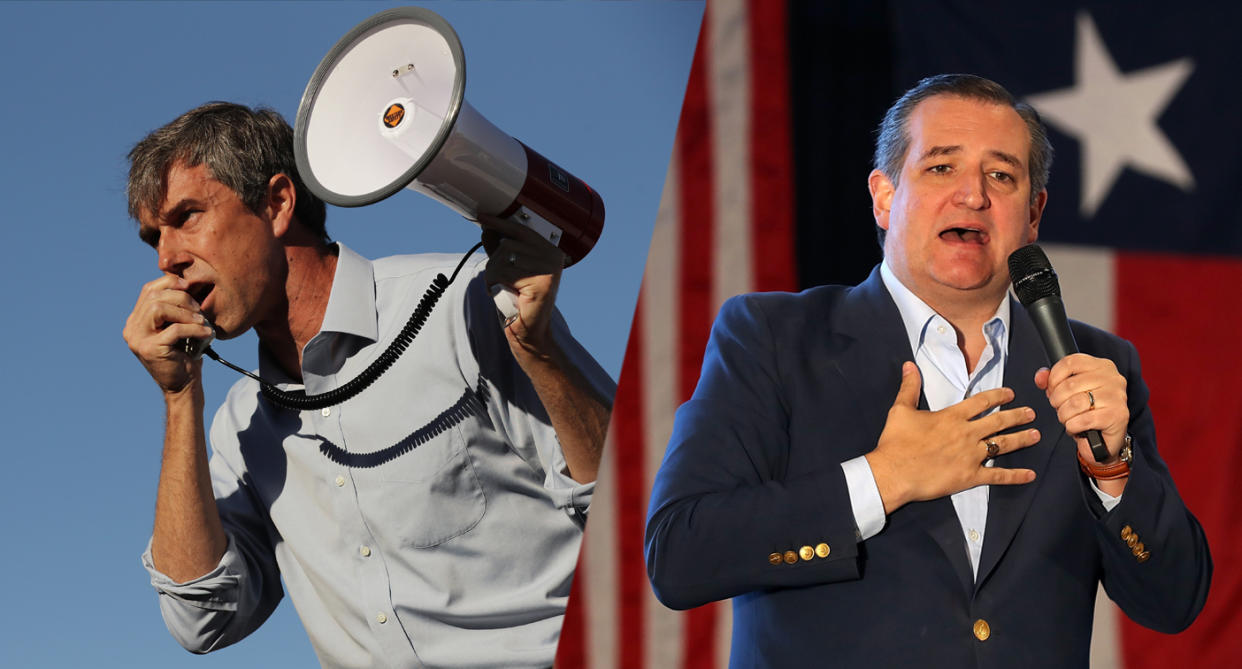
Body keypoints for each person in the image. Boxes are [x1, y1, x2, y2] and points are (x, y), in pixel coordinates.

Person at [644, 74, 1210, 667]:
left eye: (1002, 175)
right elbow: (680, 555)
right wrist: (884, 477)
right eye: (942, 167)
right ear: (884, 197)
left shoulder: (1092, 367)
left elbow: (1174, 602)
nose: (973, 195)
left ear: (1034, 214)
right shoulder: (775, 339)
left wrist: (1113, 471)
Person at [122, 102, 614, 668]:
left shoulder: (461, 304)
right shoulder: (241, 424)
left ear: (277, 203)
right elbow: (200, 620)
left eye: (186, 217)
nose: (167, 258)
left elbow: (632, 506)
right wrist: (180, 397)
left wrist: (540, 355)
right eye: (152, 237)